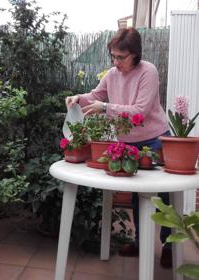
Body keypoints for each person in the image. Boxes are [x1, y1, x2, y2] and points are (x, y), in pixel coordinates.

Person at [66, 27, 172, 268]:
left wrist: (105, 107)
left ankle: (169, 245)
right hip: (129, 141)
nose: (116, 62)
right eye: (113, 56)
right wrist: (77, 98)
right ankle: (139, 242)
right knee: (135, 194)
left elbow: (139, 112)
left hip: (155, 138)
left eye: (121, 57)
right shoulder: (113, 74)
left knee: (164, 195)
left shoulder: (148, 72)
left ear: (135, 54)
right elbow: (95, 94)